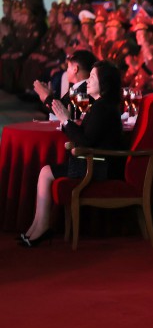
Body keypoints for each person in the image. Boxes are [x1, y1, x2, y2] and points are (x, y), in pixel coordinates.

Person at [20, 62, 123, 247]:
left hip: (97, 166)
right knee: (46, 171)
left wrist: (66, 120)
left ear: (105, 83)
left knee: (45, 172)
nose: (88, 82)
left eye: (92, 77)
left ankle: (41, 227)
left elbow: (86, 141)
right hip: (94, 161)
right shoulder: (102, 105)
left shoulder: (102, 107)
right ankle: (36, 227)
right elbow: (87, 137)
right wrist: (67, 121)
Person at [33, 49, 95, 114]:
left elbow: (65, 112)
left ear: (75, 69)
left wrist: (46, 97)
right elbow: (64, 105)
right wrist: (50, 96)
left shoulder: (85, 89)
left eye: (68, 67)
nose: (66, 70)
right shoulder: (78, 88)